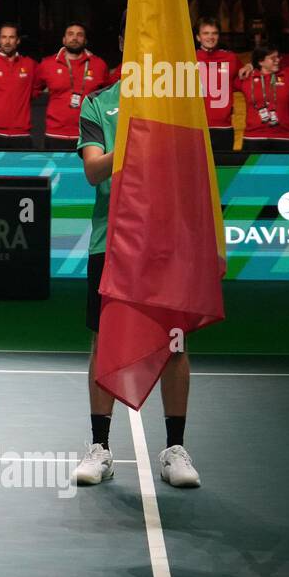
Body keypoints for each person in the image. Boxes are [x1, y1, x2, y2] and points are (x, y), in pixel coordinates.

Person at [74, 50, 201, 489]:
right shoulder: (96, 105)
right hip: (110, 240)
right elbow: (93, 170)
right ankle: (100, 448)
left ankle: (175, 448)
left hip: (167, 240)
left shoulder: (176, 104)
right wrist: (131, 144)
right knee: (104, 339)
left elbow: (192, 170)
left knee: (175, 340)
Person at [34, 23, 106, 151]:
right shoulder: (47, 64)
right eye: (70, 34)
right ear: (64, 39)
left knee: (84, 172)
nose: (75, 38)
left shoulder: (99, 65)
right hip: (54, 134)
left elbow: (108, 97)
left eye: (79, 35)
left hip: (87, 136)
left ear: (85, 40)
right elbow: (32, 90)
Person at [238, 46, 289, 153]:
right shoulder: (246, 77)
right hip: (254, 138)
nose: (277, 60)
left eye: (278, 57)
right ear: (261, 62)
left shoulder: (287, 76)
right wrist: (249, 65)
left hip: (284, 138)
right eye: (273, 58)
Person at [194, 18, 241, 152]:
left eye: (214, 33)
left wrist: (250, 65)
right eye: (206, 33)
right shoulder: (188, 58)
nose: (210, 37)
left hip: (224, 128)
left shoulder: (230, 58)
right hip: (197, 128)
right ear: (198, 37)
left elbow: (245, 74)